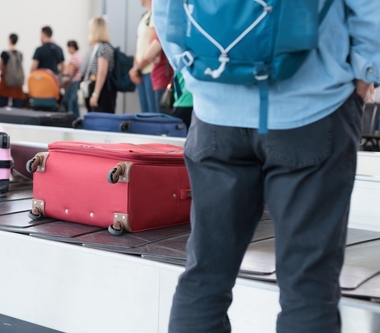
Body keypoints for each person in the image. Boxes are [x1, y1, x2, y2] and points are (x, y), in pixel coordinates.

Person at [154, 0, 379, 332]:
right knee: (308, 285)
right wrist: (366, 73)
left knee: (205, 275)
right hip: (311, 109)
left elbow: (167, 10)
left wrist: (191, 72)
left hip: (216, 114)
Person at [128, 0, 156, 113]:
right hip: (141, 72)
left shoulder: (155, 16)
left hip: (151, 71)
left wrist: (136, 69)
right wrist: (135, 69)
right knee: (144, 113)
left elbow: (152, 48)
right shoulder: (144, 16)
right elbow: (139, 47)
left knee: (152, 113)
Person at [84, 17, 116, 113]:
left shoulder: (103, 47)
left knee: (101, 115)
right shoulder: (98, 47)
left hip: (103, 88)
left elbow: (102, 72)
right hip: (97, 86)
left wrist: (96, 94)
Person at [143, 36, 173, 113]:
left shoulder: (163, 35)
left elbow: (147, 55)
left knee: (160, 117)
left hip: (163, 79)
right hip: (166, 78)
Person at [0, 33, 26, 108]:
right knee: (17, 104)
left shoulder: (4, 54)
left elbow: (0, 66)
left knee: (3, 103)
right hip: (17, 83)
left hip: (6, 81)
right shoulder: (20, 54)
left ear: (10, 40)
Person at [62, 40, 82, 116]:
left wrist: (64, 80)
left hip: (73, 81)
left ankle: (70, 116)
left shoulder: (74, 57)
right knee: (75, 99)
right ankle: (76, 116)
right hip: (77, 80)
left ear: (72, 47)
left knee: (70, 100)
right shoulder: (78, 56)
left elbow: (69, 71)